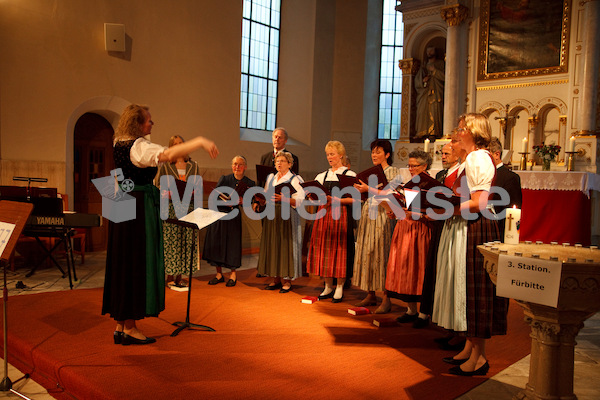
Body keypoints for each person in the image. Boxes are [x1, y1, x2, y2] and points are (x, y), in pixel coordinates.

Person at [103, 104, 218, 346]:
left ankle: (121, 323)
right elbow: (167, 155)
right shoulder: (138, 146)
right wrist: (199, 141)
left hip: (121, 203)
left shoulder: (119, 143)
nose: (152, 124)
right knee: (137, 263)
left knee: (123, 263)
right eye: (148, 121)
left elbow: (120, 178)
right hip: (137, 208)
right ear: (137, 124)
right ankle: (131, 328)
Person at [434, 113, 509, 376]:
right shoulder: (471, 158)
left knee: (474, 292)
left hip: (474, 227)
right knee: (465, 290)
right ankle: (470, 349)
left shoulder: (478, 157)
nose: (457, 131)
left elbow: (479, 202)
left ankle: (479, 358)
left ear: (474, 132)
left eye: (462, 127)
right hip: (466, 225)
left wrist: (445, 210)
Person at [385, 150, 435, 328]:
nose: (411, 169)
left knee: (418, 268)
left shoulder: (431, 185)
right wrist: (394, 211)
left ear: (425, 166)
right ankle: (410, 309)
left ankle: (423, 313)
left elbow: (435, 211)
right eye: (410, 165)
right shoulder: (408, 184)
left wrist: (418, 214)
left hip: (420, 230)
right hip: (404, 228)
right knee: (404, 267)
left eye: (415, 166)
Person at [352, 139, 401, 313]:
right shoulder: (371, 173)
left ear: (387, 154)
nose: (374, 155)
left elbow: (393, 195)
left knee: (382, 253)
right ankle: (370, 293)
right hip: (368, 215)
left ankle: (386, 298)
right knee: (367, 253)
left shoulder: (394, 172)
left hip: (384, 217)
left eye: (378, 152)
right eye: (373, 151)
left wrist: (368, 189)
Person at [306, 141, 357, 303]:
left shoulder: (350, 175)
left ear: (341, 155)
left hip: (341, 216)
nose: (330, 157)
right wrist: (311, 197)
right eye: (328, 154)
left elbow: (355, 200)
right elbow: (314, 201)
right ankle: (328, 286)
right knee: (325, 251)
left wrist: (335, 199)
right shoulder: (322, 176)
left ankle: (340, 287)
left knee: (340, 251)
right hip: (324, 216)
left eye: (333, 154)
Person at [254, 151, 304, 293]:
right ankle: (275, 278)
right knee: (273, 244)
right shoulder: (271, 177)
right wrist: (262, 199)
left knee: (285, 245)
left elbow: (300, 201)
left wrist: (283, 199)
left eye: (282, 161)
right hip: (271, 214)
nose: (279, 163)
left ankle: (286, 280)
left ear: (289, 163)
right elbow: (266, 194)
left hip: (287, 214)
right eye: (277, 161)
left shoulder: (295, 179)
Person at [156, 135, 201, 290]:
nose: (179, 146)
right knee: (172, 242)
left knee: (185, 242)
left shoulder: (194, 166)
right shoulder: (166, 167)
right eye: (175, 144)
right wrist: (165, 193)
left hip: (188, 207)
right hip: (171, 208)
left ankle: (181, 276)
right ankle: (170, 276)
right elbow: (159, 187)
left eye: (181, 143)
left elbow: (198, 187)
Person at [203, 156, 255, 287]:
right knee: (217, 244)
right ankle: (219, 274)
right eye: (235, 164)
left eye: (240, 164)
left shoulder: (250, 183)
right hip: (219, 215)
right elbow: (214, 197)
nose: (237, 167)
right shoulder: (225, 179)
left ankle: (233, 274)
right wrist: (225, 201)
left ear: (245, 167)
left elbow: (252, 203)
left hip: (233, 217)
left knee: (232, 245)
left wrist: (243, 201)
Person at [489, 137, 522, 237]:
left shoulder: (510, 178)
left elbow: (512, 211)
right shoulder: (483, 174)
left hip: (498, 231)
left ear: (497, 154)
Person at [415, 47, 445, 139]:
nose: (429, 53)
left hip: (436, 93)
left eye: (431, 50)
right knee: (422, 111)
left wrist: (434, 71)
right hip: (425, 94)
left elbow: (446, 77)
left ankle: (435, 132)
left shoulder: (440, 64)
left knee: (435, 111)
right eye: (427, 51)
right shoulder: (424, 66)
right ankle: (422, 132)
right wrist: (423, 81)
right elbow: (417, 81)